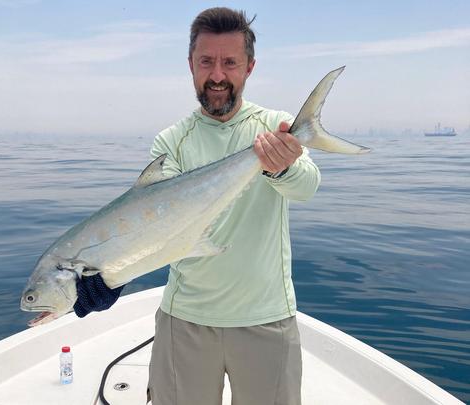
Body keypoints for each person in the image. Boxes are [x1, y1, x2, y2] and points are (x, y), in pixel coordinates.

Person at [75, 7, 320, 405]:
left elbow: (307, 187)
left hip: (266, 318)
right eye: (207, 62)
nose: (218, 75)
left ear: (249, 67)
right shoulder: (170, 143)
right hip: (184, 321)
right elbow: (154, 227)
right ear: (191, 64)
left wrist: (281, 167)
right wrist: (108, 276)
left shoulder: (277, 126)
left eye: (230, 63)